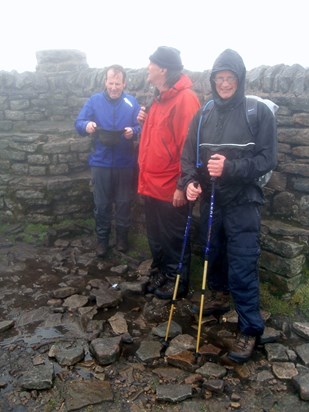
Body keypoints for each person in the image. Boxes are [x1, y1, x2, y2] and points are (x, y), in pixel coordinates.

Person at [180, 49, 277, 362]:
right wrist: (190, 182)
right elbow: (189, 156)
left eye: (230, 78)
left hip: (243, 202)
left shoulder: (256, 112)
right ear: (212, 81)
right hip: (212, 200)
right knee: (213, 251)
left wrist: (231, 169)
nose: (224, 84)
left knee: (243, 264)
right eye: (219, 78)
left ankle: (250, 329)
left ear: (240, 79)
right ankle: (219, 297)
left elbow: (267, 159)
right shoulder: (204, 113)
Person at [137, 46, 200, 300]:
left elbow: (190, 146)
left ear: (162, 68)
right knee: (156, 234)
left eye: (151, 63)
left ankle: (177, 281)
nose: (147, 67)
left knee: (173, 236)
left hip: (170, 186)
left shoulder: (185, 99)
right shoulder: (158, 97)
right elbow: (157, 139)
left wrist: (182, 185)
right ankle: (161, 271)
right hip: (151, 182)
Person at [75, 64, 141, 257]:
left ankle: (121, 240)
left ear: (124, 83)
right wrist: (87, 125)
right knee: (102, 204)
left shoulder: (131, 102)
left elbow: (142, 127)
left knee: (123, 202)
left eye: (117, 83)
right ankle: (102, 242)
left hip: (124, 162)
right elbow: (78, 123)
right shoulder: (94, 101)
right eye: (110, 83)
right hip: (100, 162)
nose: (114, 87)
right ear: (105, 82)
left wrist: (133, 131)